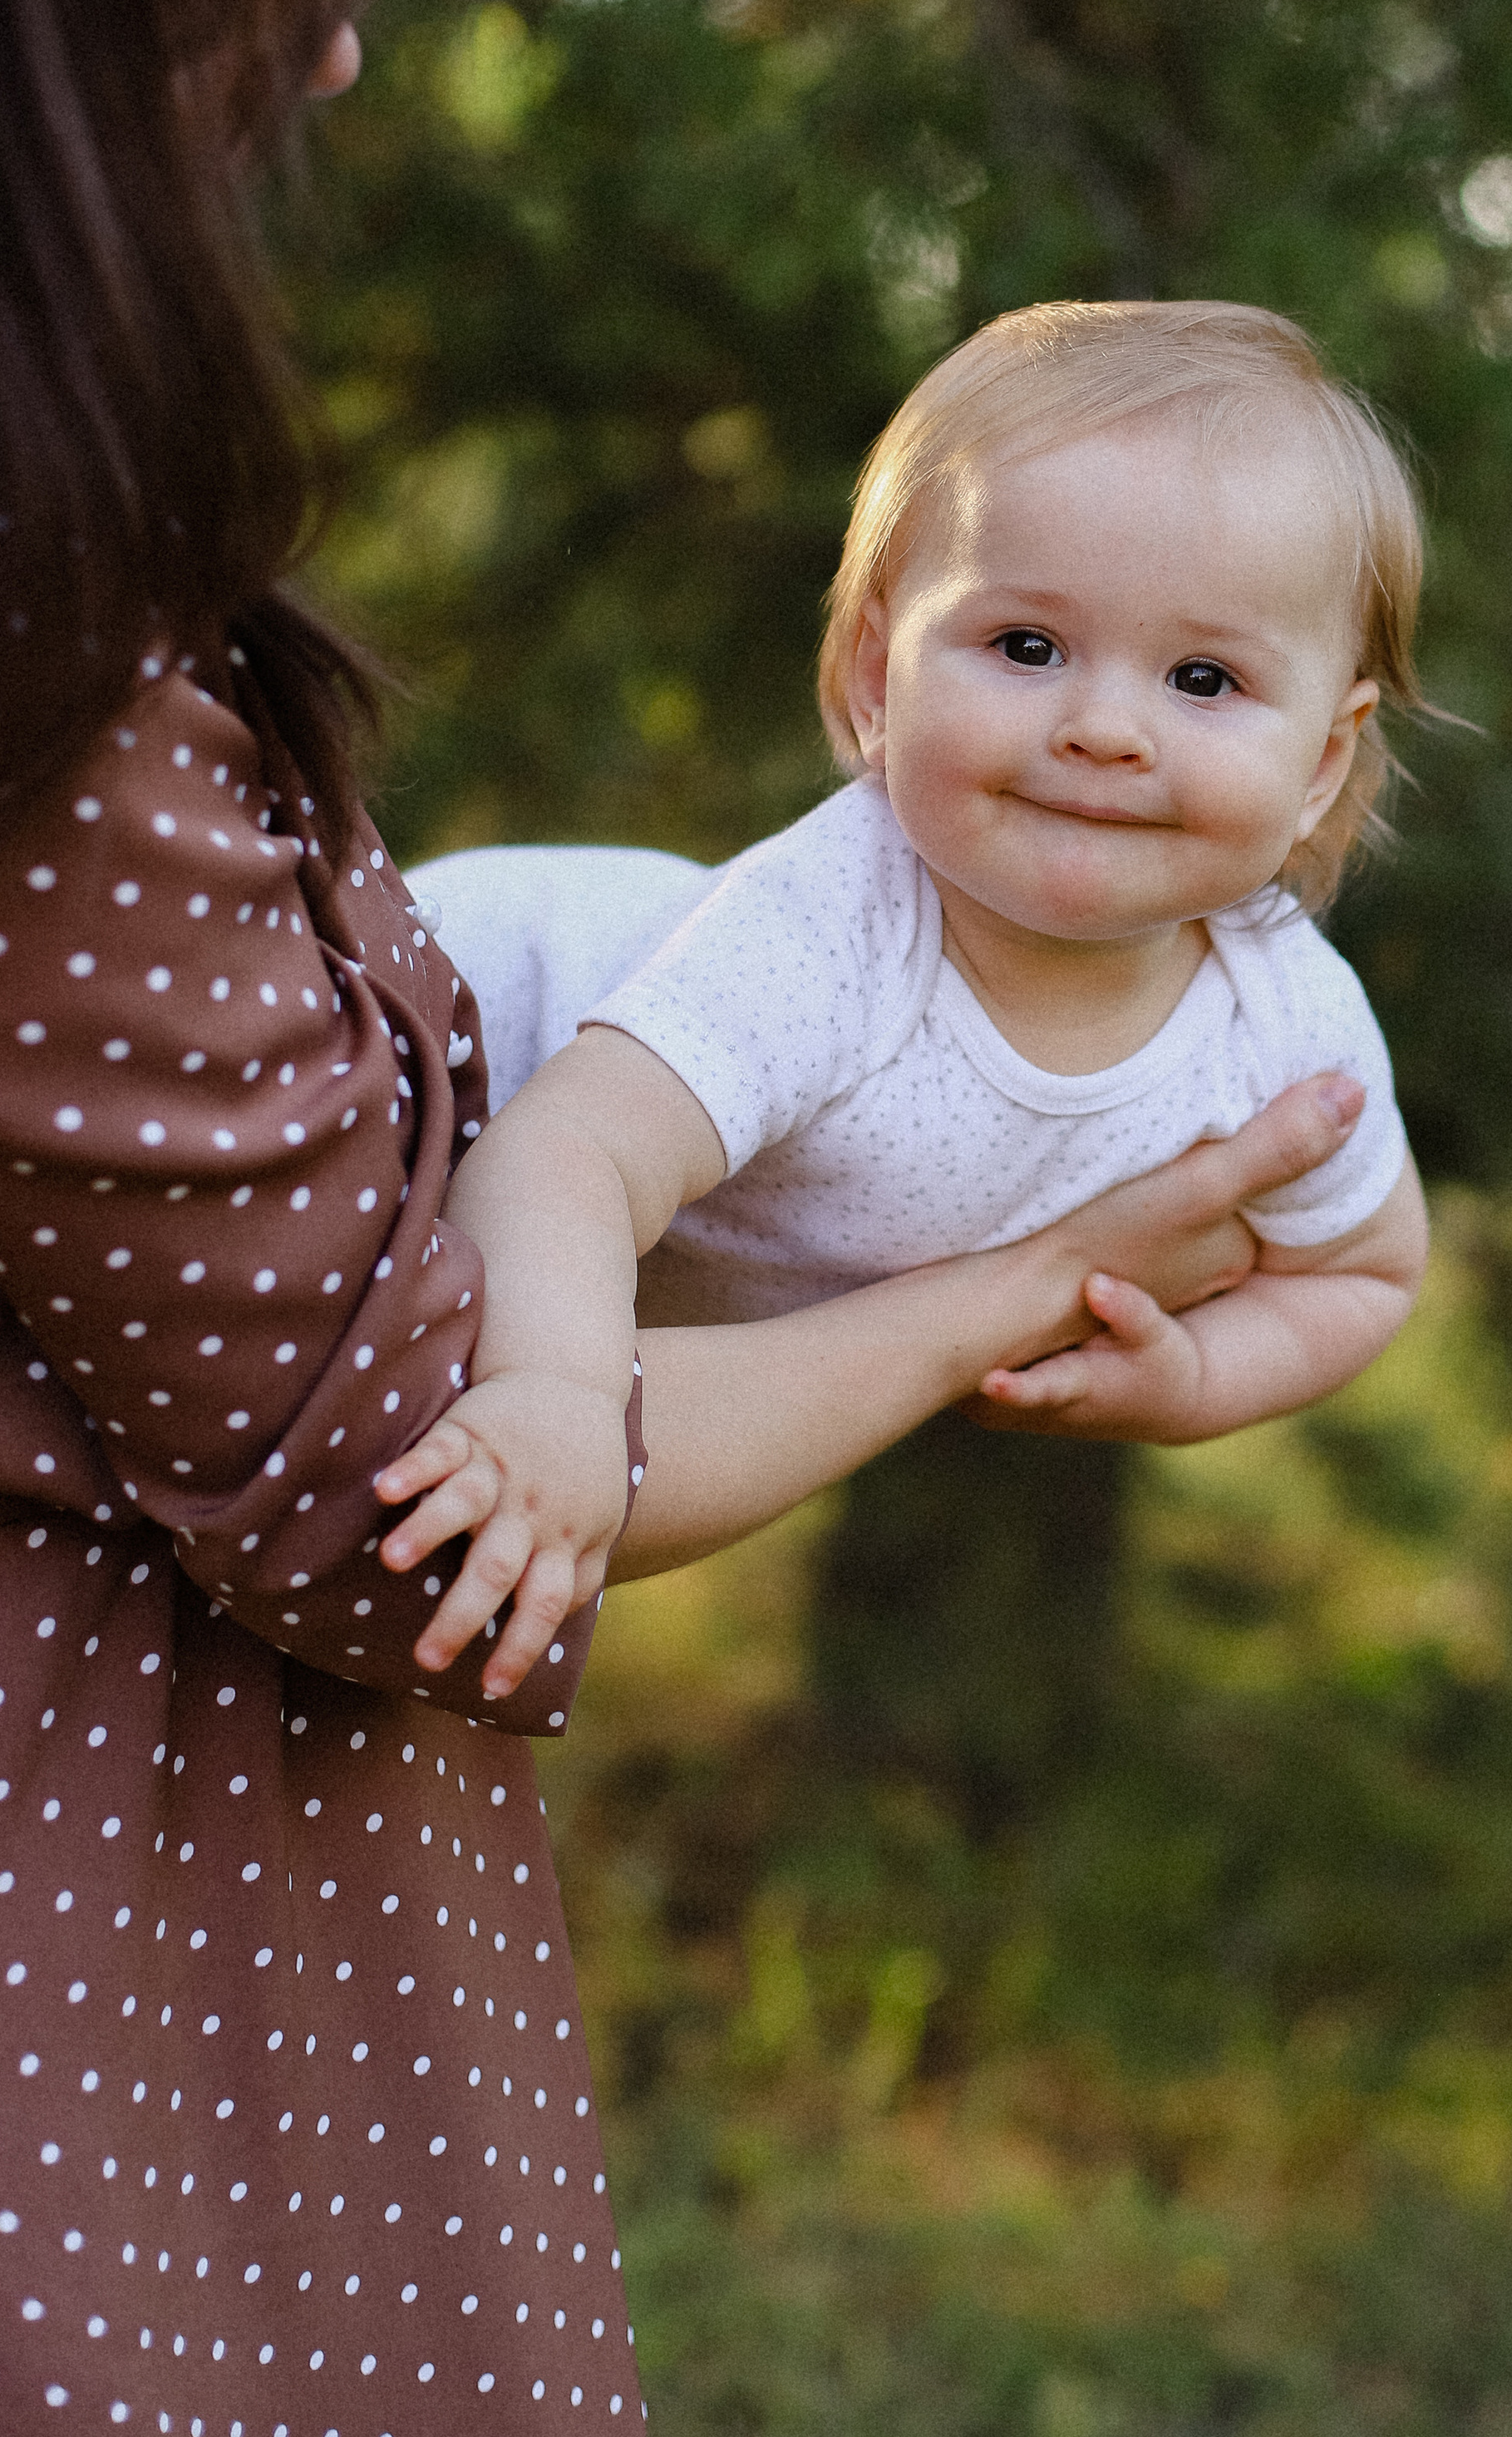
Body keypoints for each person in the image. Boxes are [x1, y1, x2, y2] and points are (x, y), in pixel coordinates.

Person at [0, 0, 1361, 2437]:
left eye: (1215, 688)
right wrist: (1035, 1269)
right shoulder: (2, 692)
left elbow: (1361, 1264)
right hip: (68, 2006)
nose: (318, 41)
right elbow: (401, 1487)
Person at [376, 302, 1430, 1648]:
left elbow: (1366, 1275)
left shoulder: (1287, 1028)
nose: (1106, 729)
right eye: (1028, 648)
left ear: (1324, 763)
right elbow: (564, 1155)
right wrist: (560, 1398)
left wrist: (1195, 1382)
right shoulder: (837, 929)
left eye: (1205, 678)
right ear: (880, 675)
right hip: (425, 1029)